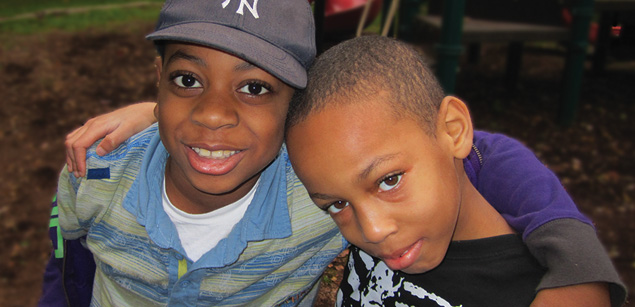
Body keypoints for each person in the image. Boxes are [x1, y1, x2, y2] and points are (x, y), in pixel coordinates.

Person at [39, 1, 625, 306]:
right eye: (186, 81)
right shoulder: (98, 171)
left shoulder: (320, 187)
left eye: (255, 88)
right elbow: (65, 265)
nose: (369, 226)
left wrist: (574, 255)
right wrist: (157, 116)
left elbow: (470, 150)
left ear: (290, 113)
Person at [284, 35, 626, 306]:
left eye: (389, 180)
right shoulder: (378, 205)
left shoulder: (518, 281)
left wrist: (582, 279)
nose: (372, 231)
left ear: (454, 130)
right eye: (336, 205)